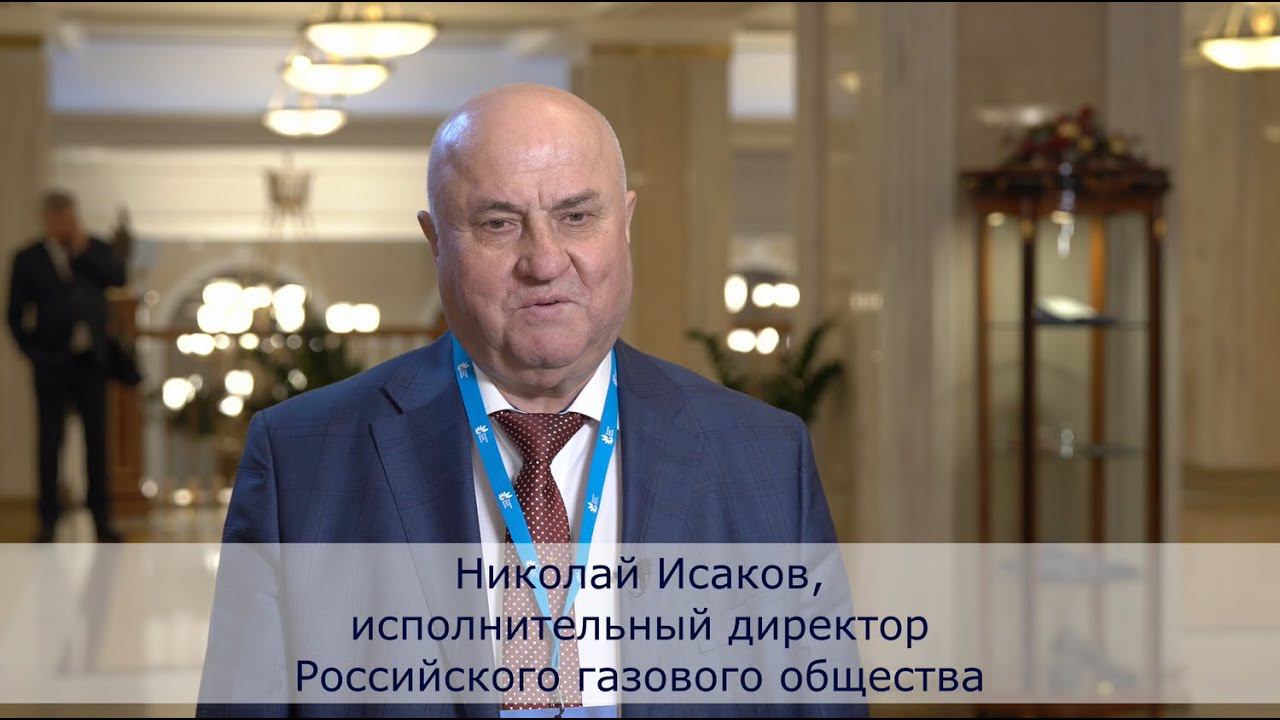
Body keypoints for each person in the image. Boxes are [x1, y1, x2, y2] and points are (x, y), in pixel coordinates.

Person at [199, 84, 858, 717]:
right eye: (498, 223)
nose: (544, 262)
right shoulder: (301, 461)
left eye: (577, 216)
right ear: (436, 240)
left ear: (625, 223)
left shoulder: (767, 458)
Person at [7, 190, 126, 543]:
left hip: (91, 363)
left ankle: (101, 518)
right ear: (47, 220)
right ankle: (48, 519)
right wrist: (34, 353)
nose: (65, 225)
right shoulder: (28, 259)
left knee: (97, 443)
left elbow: (117, 277)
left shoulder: (93, 250)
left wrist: (82, 250)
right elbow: (14, 314)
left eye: (70, 219)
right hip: (51, 364)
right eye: (59, 220)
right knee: (50, 441)